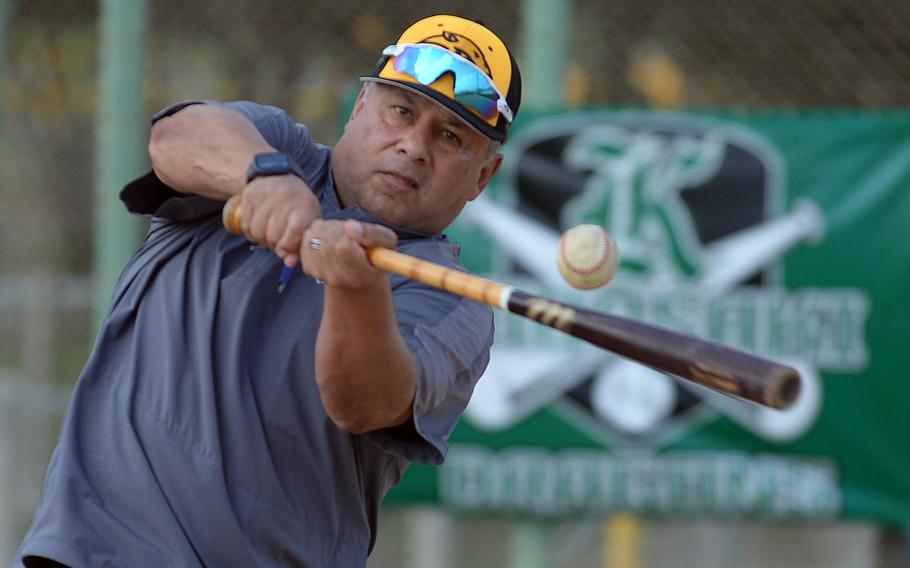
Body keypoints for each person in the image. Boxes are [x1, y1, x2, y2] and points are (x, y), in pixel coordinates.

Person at [15, 14, 521, 567]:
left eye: (450, 136)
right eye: (401, 112)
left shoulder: (456, 303)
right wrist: (267, 177)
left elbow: (364, 403)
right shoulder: (277, 148)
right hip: (90, 552)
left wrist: (356, 286)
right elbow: (175, 137)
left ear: (482, 177)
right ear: (359, 109)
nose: (414, 146)